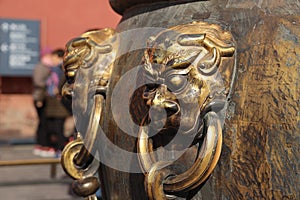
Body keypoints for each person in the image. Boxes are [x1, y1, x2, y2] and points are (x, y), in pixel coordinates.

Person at [45, 48, 71, 157]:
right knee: (56, 126)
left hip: (61, 101)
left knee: (59, 126)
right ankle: (59, 148)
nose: (52, 60)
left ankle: (61, 149)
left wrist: (59, 91)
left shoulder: (62, 68)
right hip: (56, 102)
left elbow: (63, 82)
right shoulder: (56, 68)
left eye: (53, 57)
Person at [32, 48, 54, 157]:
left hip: (44, 97)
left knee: (44, 122)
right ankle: (42, 144)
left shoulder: (47, 67)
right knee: (43, 122)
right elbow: (38, 82)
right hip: (40, 97)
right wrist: (50, 82)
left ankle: (43, 144)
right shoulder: (41, 67)